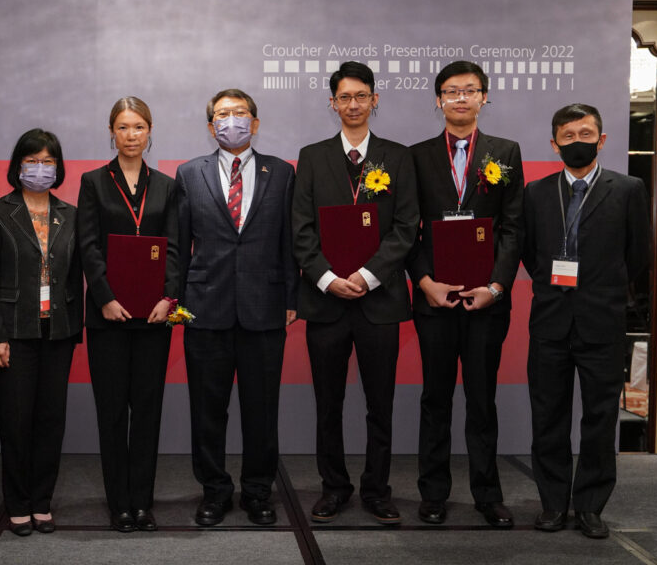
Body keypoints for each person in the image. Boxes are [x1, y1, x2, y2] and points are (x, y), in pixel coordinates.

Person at [292, 62, 419, 525]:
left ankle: (377, 489)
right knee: (328, 403)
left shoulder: (397, 157)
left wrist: (368, 276)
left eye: (361, 96)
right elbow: (300, 229)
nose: (353, 104)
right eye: (344, 97)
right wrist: (327, 278)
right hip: (325, 301)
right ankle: (334, 487)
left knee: (378, 403)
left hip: (378, 302)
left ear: (374, 100)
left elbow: (406, 228)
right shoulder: (311, 157)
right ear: (332, 103)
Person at [523, 104, 650, 539]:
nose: (578, 140)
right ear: (554, 142)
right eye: (568, 134)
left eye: (586, 132)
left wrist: (600, 287)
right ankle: (553, 504)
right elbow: (530, 253)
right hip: (550, 322)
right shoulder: (536, 192)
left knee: (600, 417)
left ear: (602, 139)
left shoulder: (629, 188)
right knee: (548, 416)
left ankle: (591, 506)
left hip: (603, 320)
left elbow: (638, 255)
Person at [406, 60, 523, 528]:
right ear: (438, 100)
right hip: (435, 297)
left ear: (484, 98)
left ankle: (487, 494)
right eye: (451, 91)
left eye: (470, 90)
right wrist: (425, 282)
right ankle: (433, 493)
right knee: (435, 398)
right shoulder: (415, 156)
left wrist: (496, 286)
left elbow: (513, 229)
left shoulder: (505, 152)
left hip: (486, 301)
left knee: (482, 398)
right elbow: (405, 231)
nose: (460, 98)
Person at [176, 88, 298, 527]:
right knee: (207, 409)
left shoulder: (282, 173)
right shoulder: (189, 174)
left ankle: (259, 491)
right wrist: (176, 302)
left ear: (256, 123)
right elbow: (179, 244)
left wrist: (291, 297)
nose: (232, 120)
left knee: (261, 409)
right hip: (204, 308)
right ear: (211, 126)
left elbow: (290, 241)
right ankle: (214, 490)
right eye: (223, 114)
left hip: (264, 307)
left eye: (240, 113)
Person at [77, 96, 179, 533]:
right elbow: (88, 246)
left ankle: (143, 502)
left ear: (150, 131)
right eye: (123, 127)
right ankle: (119, 503)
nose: (131, 135)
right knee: (113, 412)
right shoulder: (93, 183)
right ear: (111, 133)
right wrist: (104, 296)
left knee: (148, 411)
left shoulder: (168, 186)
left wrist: (169, 297)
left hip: (154, 318)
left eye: (139, 127)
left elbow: (175, 246)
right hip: (109, 317)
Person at [0, 129, 82, 537]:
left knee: (50, 420)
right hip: (13, 334)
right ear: (18, 165)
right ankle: (17, 502)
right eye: (32, 161)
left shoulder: (70, 213)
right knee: (16, 420)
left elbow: (77, 275)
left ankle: (42, 501)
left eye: (48, 162)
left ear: (58, 167)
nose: (40, 169)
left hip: (58, 332)